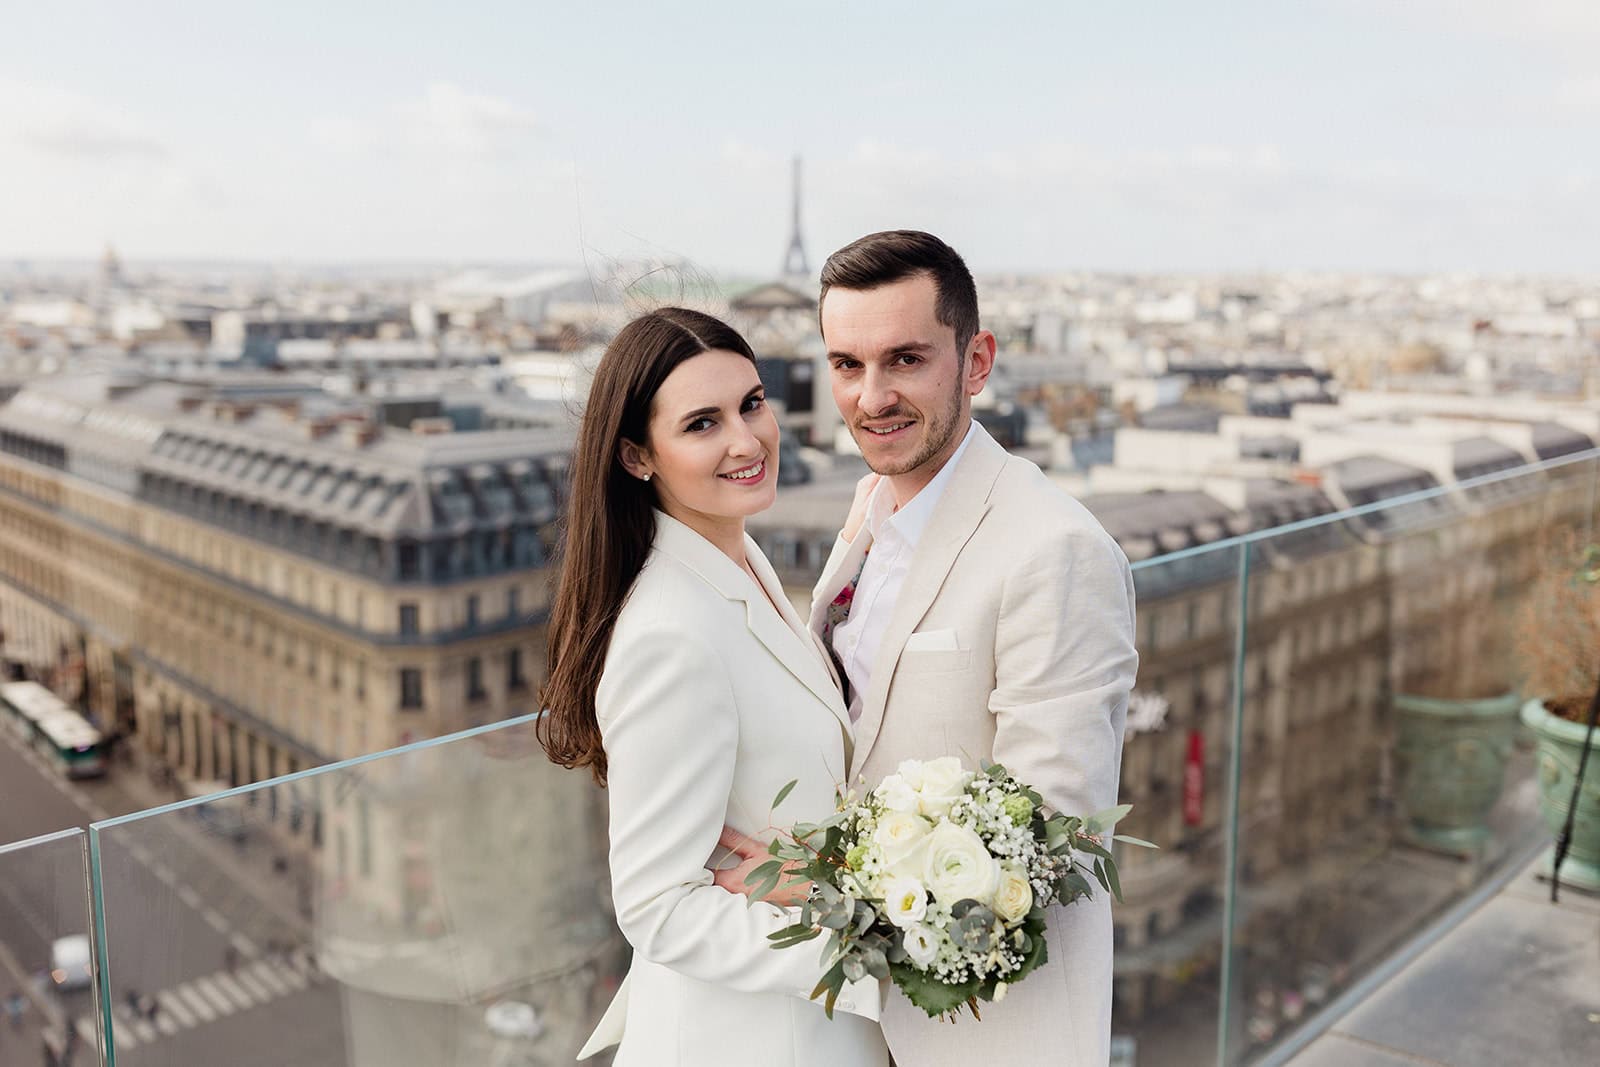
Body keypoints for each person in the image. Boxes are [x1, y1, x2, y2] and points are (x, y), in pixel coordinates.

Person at [718, 231, 1138, 1066]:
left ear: (976, 360)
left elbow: (1051, 841)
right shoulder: (873, 507)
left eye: (905, 359)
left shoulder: (1055, 548)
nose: (870, 396)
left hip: (992, 1037)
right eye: (847, 364)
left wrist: (827, 888)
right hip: (854, 1021)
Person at [537, 308, 887, 1066]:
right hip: (759, 1038)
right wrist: (868, 944)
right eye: (703, 423)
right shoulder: (669, 630)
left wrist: (834, 877)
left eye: (752, 403)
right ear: (636, 455)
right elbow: (657, 907)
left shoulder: (736, 558)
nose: (746, 439)